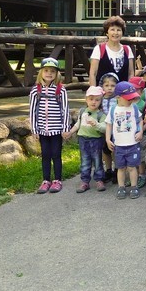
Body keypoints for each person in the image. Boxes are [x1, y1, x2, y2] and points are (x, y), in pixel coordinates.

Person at [30, 57, 70, 194]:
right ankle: (46, 180)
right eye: (46, 70)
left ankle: (57, 180)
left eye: (52, 71)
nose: (49, 73)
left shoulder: (60, 90)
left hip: (56, 130)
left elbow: (65, 109)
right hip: (42, 130)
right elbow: (32, 111)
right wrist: (34, 129)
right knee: (45, 155)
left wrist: (65, 128)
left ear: (57, 73)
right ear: (41, 72)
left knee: (56, 154)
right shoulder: (36, 91)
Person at [64, 86, 107, 193]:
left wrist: (96, 124)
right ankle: (85, 181)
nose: (94, 102)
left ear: (100, 101)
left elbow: (104, 128)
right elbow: (78, 124)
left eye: (97, 100)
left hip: (96, 140)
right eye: (91, 99)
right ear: (86, 100)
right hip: (83, 140)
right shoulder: (83, 111)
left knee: (97, 160)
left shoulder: (101, 114)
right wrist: (70, 132)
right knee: (85, 161)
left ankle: (99, 179)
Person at [105, 81, 144, 200]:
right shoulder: (113, 110)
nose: (131, 100)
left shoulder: (134, 108)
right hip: (119, 145)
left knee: (132, 167)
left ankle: (134, 186)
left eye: (132, 98)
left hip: (133, 144)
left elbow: (140, 120)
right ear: (118, 97)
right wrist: (107, 139)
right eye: (128, 98)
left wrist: (140, 132)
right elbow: (109, 125)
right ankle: (121, 187)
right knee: (121, 168)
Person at [89, 16, 134, 85]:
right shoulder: (99, 49)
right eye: (112, 30)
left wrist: (130, 89)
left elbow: (130, 73)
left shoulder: (127, 49)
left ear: (122, 33)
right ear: (107, 33)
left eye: (118, 30)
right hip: (103, 90)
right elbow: (93, 73)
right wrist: (93, 90)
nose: (115, 33)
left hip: (123, 90)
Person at [99, 72, 119, 183]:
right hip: (104, 129)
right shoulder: (100, 99)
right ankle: (108, 170)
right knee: (105, 150)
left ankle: (117, 169)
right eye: (107, 85)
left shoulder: (118, 99)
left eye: (113, 86)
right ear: (102, 86)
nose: (109, 88)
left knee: (115, 150)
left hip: (116, 129)